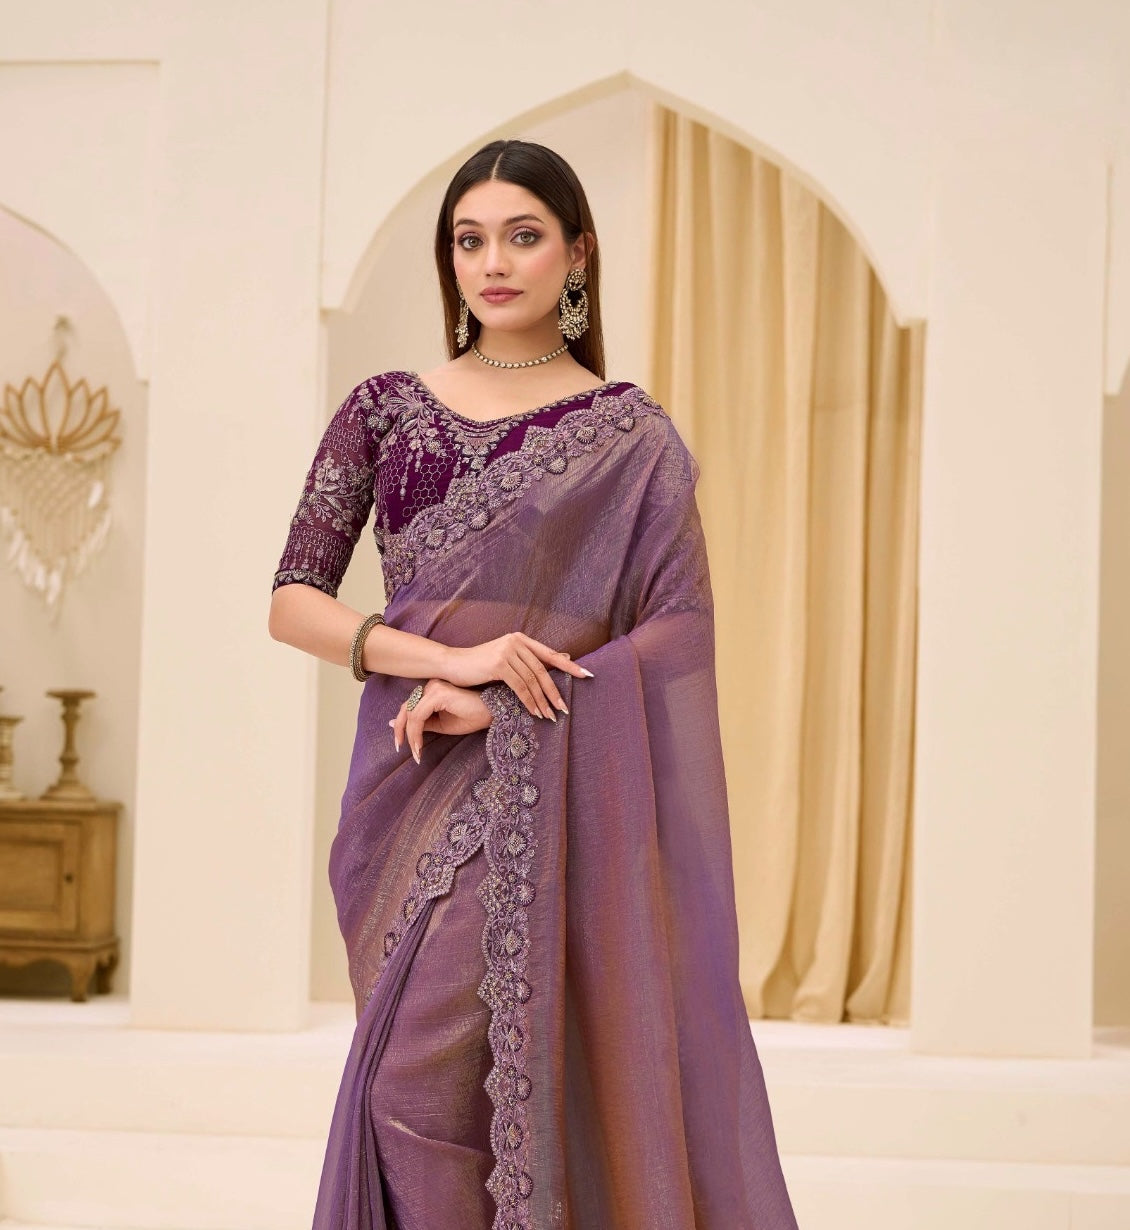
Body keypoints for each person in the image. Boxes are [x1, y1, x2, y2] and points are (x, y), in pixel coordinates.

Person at [268, 138, 799, 1230]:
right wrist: (450, 661)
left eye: (522, 237)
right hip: (404, 787)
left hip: (532, 791)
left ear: (577, 254)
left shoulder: (631, 440)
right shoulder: (385, 410)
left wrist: (503, 702)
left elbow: (678, 635)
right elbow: (293, 601)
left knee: (426, 1085)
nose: (493, 263)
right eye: (469, 241)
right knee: (413, 1085)